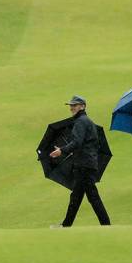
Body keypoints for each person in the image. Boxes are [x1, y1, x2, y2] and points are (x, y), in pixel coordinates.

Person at [49, 95, 110, 227]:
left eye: (74, 105)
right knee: (76, 197)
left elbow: (77, 142)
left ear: (82, 106)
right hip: (86, 164)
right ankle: (66, 225)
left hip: (84, 165)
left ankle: (106, 225)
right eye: (71, 106)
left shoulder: (81, 122)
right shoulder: (87, 121)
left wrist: (62, 150)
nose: (71, 108)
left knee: (92, 197)